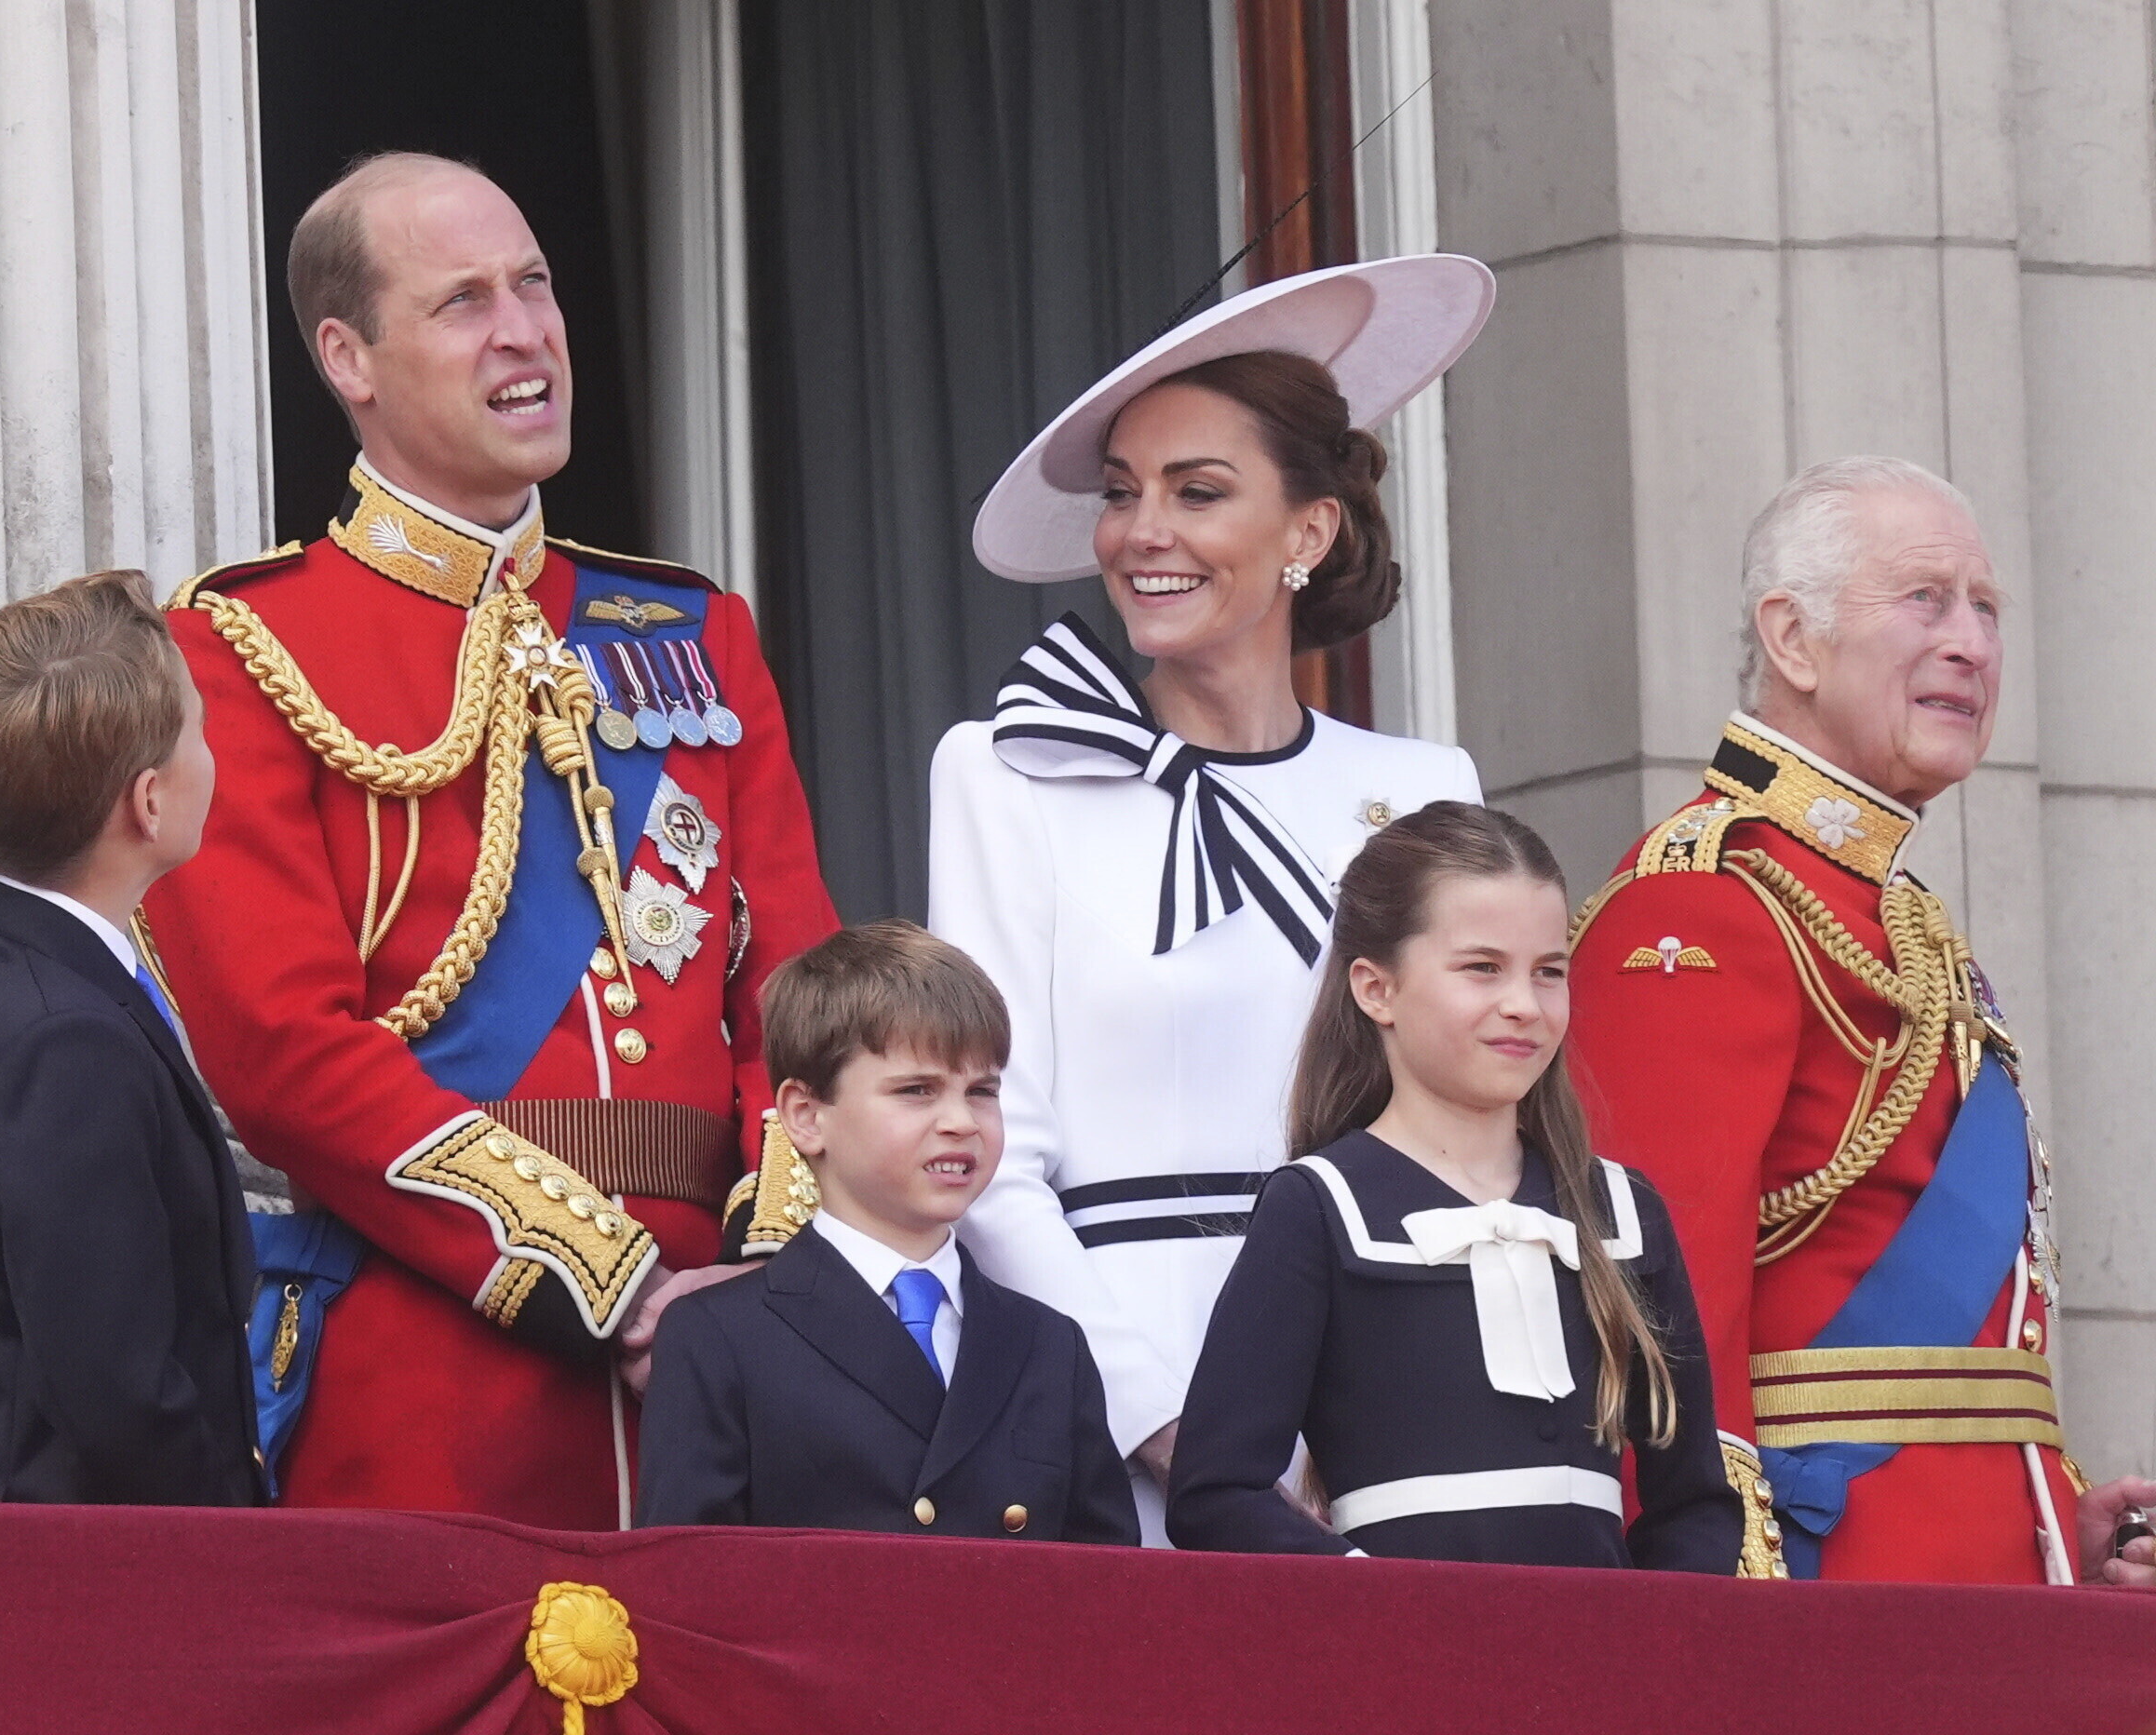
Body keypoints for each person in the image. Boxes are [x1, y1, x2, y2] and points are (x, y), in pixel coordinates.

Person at [138, 153, 837, 1525]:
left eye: (535, 285)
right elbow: (278, 1049)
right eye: (464, 301)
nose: (524, 331)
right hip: (431, 1364)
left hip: (736, 1364)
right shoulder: (240, 646)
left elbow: (803, 996)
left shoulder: (695, 634)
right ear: (349, 355)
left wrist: (765, 1275)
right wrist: (612, 1278)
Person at [931, 256, 1493, 1541]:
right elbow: (990, 1152)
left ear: (1309, 531)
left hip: (1386, 1387)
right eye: (1124, 496)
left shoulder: (1424, 789)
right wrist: (1180, 1432)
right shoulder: (1008, 772)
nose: (1143, 533)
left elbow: (1463, 1127)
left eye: (1198, 492)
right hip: (1109, 1410)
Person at [1569, 456, 2156, 1589]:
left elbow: (1947, 1358)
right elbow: (1654, 1309)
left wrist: (2056, 1519)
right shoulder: (1699, 903)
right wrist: (1715, 1600)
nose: (1973, 644)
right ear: (1792, 639)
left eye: (1986, 608)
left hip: (1980, 1591)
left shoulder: (1902, 918)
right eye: (1925, 599)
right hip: (1826, 1594)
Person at [1166, 802, 1738, 1568]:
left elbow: (1693, 1501)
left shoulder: (1624, 1213)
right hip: (1398, 1666)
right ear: (1376, 990)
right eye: (1482, 968)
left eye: (1549, 973)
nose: (1524, 1006)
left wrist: (1652, 1647)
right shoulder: (1320, 1207)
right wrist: (1368, 1604)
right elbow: (1216, 1493)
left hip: (1602, 1671)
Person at [0, 570, 261, 1505]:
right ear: (146, 803)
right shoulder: (67, 1044)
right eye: (198, 729)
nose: (210, 751)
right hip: (95, 1590)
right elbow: (118, 1392)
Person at [635, 921, 1139, 1543]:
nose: (961, 1121)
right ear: (806, 1116)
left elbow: (1109, 1594)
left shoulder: (1050, 1345)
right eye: (917, 1091)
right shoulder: (717, 1336)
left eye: (982, 1091)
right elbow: (688, 1587)